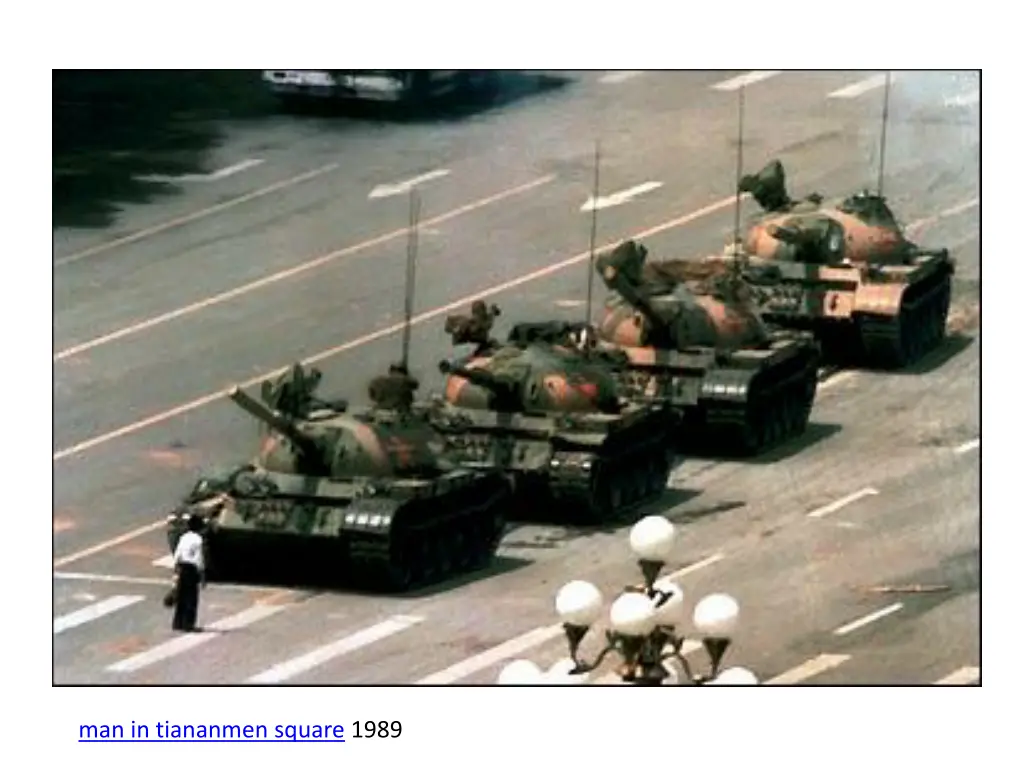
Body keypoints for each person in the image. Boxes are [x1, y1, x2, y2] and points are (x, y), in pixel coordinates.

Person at [171, 514, 206, 632]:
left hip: (182, 566)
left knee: (181, 596)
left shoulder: (184, 537)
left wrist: (176, 568)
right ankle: (188, 624)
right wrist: (202, 575)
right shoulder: (198, 539)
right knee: (191, 598)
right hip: (192, 569)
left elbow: (177, 553)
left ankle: (178, 622)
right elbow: (198, 559)